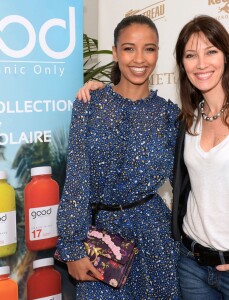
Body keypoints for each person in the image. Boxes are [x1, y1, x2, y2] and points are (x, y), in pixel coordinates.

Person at [77, 15, 229, 300]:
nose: (202, 63)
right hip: (191, 266)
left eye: (211, 52)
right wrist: (103, 92)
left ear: (227, 56)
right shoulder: (184, 120)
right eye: (191, 55)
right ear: (182, 64)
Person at [57, 15, 181, 299]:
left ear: (158, 53)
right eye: (129, 48)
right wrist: (72, 248)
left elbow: (184, 187)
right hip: (100, 240)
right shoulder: (89, 105)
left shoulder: (169, 115)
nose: (140, 58)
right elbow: (77, 180)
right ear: (114, 52)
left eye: (149, 48)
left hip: (154, 237)